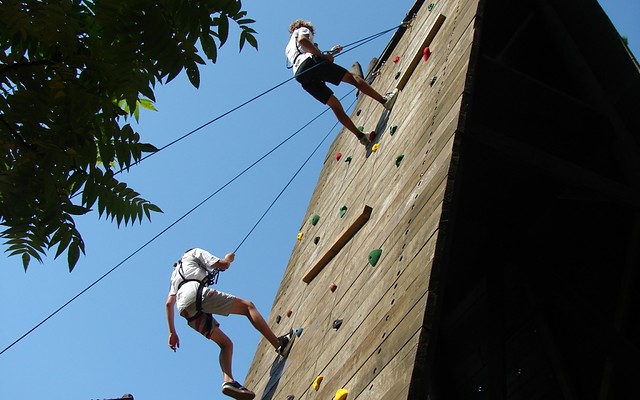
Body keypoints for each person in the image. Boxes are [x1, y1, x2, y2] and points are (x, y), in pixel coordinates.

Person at [165, 248, 291, 400]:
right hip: (196, 293)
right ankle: (279, 343)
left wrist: (172, 332)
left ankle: (228, 381)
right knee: (248, 306)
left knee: (226, 344)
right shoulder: (194, 253)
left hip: (184, 310)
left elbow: (169, 303)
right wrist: (228, 258)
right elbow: (223, 265)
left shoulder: (175, 274)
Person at [286, 19, 398, 146]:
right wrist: (323, 57)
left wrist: (329, 53)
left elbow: (307, 52)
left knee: (334, 105)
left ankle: (361, 137)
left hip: (300, 75)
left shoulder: (288, 47)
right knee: (351, 78)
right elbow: (303, 41)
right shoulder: (302, 30)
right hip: (310, 63)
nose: (311, 34)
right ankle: (385, 101)